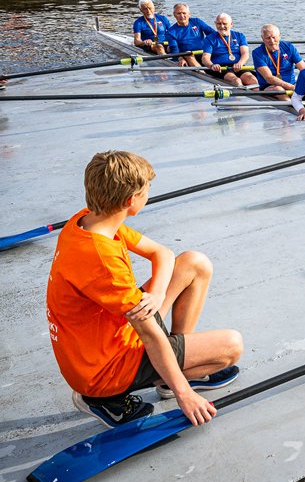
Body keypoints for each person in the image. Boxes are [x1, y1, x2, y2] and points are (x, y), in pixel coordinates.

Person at [45, 151, 243, 428]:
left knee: (194, 264)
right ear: (130, 201)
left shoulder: (90, 220)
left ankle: (177, 364)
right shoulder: (101, 260)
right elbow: (148, 333)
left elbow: (162, 252)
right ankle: (115, 398)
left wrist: (158, 294)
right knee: (232, 346)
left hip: (105, 338)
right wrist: (183, 394)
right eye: (146, 190)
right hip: (102, 370)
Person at [200, 13, 256, 86]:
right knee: (236, 80)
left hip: (238, 65)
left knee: (252, 79)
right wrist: (212, 65)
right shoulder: (209, 38)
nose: (222, 26)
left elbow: (245, 54)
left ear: (231, 24)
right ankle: (240, 95)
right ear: (215, 24)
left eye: (224, 24)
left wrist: (240, 63)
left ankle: (260, 94)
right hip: (220, 68)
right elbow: (205, 58)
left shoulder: (240, 36)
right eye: (219, 24)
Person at [253, 23, 305, 93]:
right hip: (270, 86)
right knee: (279, 89)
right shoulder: (257, 53)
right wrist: (292, 87)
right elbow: (269, 78)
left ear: (279, 36)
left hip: (292, 84)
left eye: (274, 37)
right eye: (268, 38)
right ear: (262, 38)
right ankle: (290, 103)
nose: (272, 41)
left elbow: (304, 69)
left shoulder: (289, 47)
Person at [165, 3, 216, 67]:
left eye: (184, 13)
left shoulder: (197, 22)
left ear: (189, 13)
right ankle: (202, 73)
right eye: (179, 13)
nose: (182, 16)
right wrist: (180, 59)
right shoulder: (171, 32)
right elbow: (174, 49)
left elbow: (213, 34)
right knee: (188, 53)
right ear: (174, 15)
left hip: (204, 53)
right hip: (189, 56)